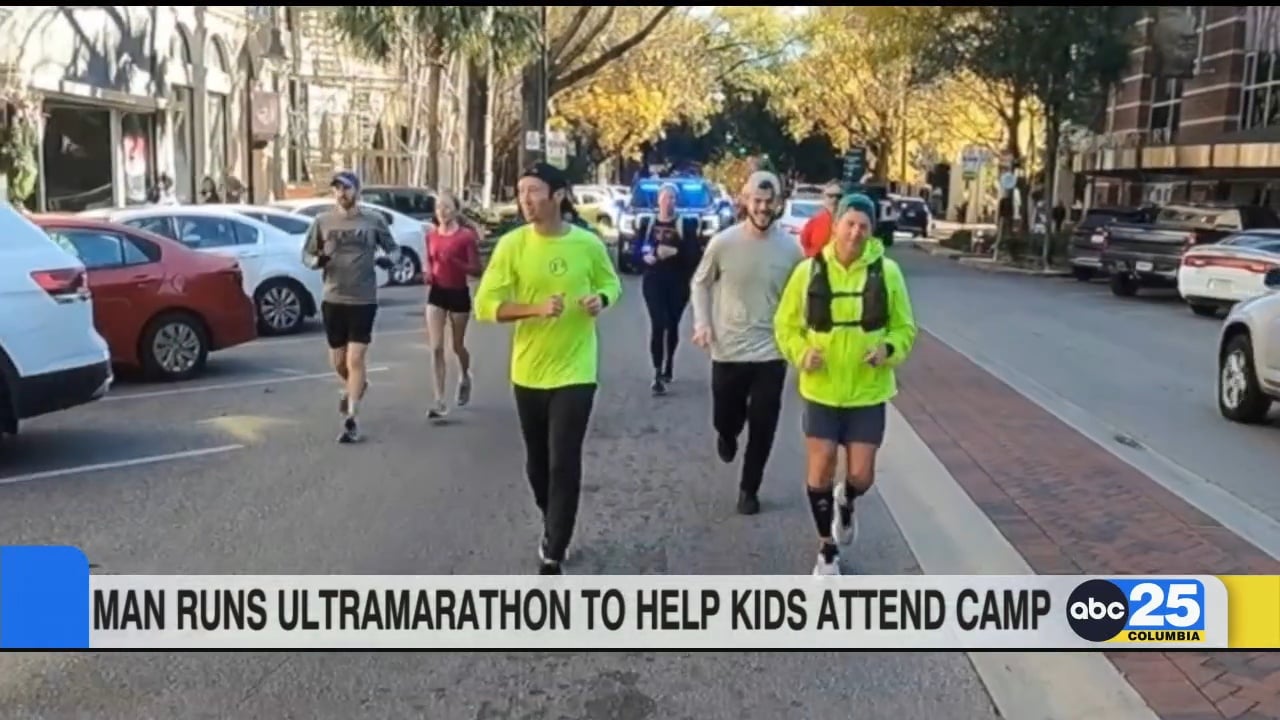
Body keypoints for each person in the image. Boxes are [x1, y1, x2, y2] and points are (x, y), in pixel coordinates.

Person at [473, 162, 622, 575]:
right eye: (521, 191)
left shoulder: (587, 244)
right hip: (529, 371)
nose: (525, 199)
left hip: (577, 369)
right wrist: (534, 309)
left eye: (534, 191)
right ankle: (551, 517)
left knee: (563, 461)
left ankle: (555, 547)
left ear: (558, 196)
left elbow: (611, 284)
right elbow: (484, 306)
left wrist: (600, 300)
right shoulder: (512, 246)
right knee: (538, 466)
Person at [774, 194, 917, 575]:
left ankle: (847, 499)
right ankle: (827, 550)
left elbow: (905, 328)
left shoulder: (888, 273)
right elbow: (785, 325)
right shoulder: (808, 272)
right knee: (820, 468)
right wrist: (801, 352)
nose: (855, 233)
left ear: (871, 231)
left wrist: (888, 349)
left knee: (861, 475)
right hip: (821, 389)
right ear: (835, 225)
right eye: (849, 224)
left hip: (867, 391)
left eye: (863, 226)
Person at [690, 170, 804, 515]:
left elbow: (801, 298)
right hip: (728, 350)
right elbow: (700, 283)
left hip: (771, 350)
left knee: (764, 423)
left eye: (769, 202)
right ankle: (727, 434)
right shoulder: (723, 243)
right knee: (727, 417)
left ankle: (749, 489)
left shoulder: (792, 250)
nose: (763, 208)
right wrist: (702, 322)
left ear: (779, 203)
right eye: (757, 200)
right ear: (744, 200)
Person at [301, 170, 400, 443]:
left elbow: (394, 249)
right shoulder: (322, 221)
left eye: (346, 188)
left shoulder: (373, 220)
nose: (341, 193)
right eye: (337, 188)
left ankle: (352, 418)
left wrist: (388, 260)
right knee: (339, 361)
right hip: (333, 298)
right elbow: (306, 254)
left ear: (357, 191)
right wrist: (318, 261)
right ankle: (356, 386)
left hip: (363, 298)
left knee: (355, 359)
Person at [424, 191, 483, 419]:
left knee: (457, 346)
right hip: (437, 293)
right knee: (436, 347)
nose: (442, 211)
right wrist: (428, 273)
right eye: (439, 207)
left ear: (456, 210)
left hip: (458, 293)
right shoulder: (431, 235)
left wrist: (456, 263)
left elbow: (476, 269)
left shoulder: (465, 237)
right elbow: (429, 261)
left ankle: (465, 375)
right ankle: (439, 400)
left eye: (447, 207)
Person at [635, 182, 698, 395]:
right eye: (665, 197)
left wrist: (675, 253)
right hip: (654, 280)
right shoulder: (648, 223)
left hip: (677, 282)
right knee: (658, 324)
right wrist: (646, 257)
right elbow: (636, 250)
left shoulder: (685, 224)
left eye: (672, 198)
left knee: (672, 325)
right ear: (658, 200)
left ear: (676, 201)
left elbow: (694, 255)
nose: (668, 202)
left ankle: (669, 361)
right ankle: (657, 372)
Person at [800, 181, 843, 258]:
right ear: (824, 197)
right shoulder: (815, 221)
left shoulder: (849, 222)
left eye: (839, 196)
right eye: (830, 196)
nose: (835, 199)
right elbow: (804, 241)